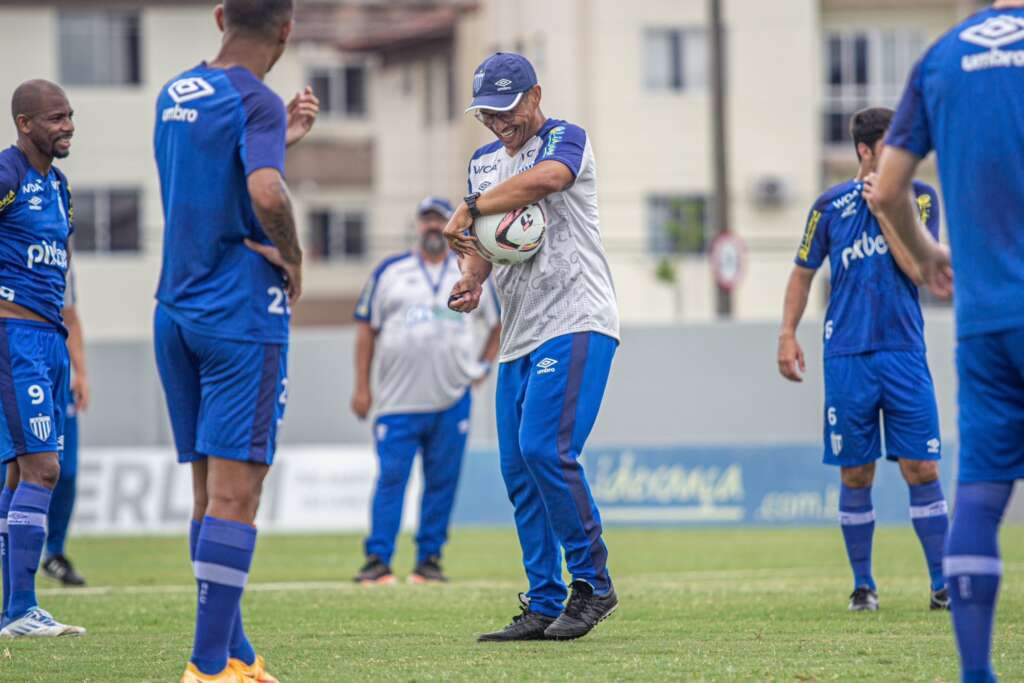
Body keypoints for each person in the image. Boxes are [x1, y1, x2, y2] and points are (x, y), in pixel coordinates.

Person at [151, 1, 318, 681]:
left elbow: (212, 178)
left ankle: (237, 654)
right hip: (239, 314)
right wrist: (294, 256)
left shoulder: (176, 92)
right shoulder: (257, 100)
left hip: (175, 310)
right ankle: (206, 667)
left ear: (220, 16)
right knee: (237, 497)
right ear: (286, 29)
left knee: (208, 494)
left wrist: (280, 139)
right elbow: (266, 193)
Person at [444, 52, 620, 641]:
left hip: (577, 317)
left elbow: (549, 180)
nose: (500, 124)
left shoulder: (565, 139)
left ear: (535, 96)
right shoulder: (483, 163)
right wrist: (471, 277)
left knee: (546, 448)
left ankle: (593, 584)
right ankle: (543, 601)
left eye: (508, 110)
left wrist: (470, 208)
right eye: (488, 115)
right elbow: (483, 243)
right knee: (518, 469)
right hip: (518, 332)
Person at [870, 2, 1024, 679]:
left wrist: (929, 251)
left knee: (981, 495)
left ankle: (976, 672)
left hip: (985, 319)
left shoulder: (942, 57)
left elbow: (888, 189)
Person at [778, 107, 949, 613]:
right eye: (892, 147)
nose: (902, 156)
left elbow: (920, 270)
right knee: (856, 473)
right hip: (847, 356)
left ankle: (942, 585)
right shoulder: (828, 206)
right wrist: (787, 334)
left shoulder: (920, 199)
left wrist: (887, 212)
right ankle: (863, 587)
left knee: (922, 467)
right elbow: (802, 273)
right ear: (865, 151)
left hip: (904, 353)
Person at [351, 196, 501, 585]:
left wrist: (483, 367)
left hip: (451, 397)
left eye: (439, 220)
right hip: (397, 401)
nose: (433, 227)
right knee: (391, 479)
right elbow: (366, 328)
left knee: (442, 483)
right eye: (426, 220)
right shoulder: (390, 271)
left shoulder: (470, 270)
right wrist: (362, 387)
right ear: (417, 226)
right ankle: (378, 560)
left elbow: (497, 323)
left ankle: (429, 560)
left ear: (452, 225)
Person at [0, 79, 84, 638]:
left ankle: (14, 609)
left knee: (17, 474)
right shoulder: (7, 174)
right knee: (44, 468)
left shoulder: (60, 187)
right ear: (24, 124)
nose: (68, 126)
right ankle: (23, 608)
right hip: (15, 338)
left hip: (51, 340)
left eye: (70, 116)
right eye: (56, 118)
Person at [40, 261, 89, 587]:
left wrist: (82, 372)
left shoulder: (61, 258)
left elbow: (69, 317)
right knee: (11, 469)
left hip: (57, 372)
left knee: (65, 470)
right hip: (17, 362)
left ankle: (54, 552)